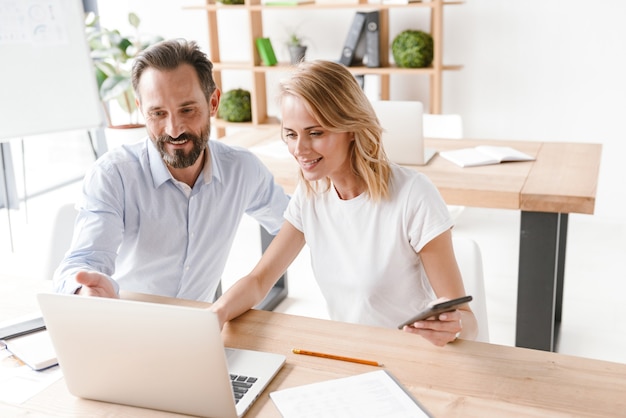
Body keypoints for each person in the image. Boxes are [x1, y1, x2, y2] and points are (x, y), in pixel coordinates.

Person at [211, 60, 478, 346]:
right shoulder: (311, 194)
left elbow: (467, 321)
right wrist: (215, 314)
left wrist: (452, 327)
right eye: (290, 134)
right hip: (351, 352)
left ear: (351, 128)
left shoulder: (414, 195)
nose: (299, 149)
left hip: (412, 353)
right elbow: (259, 281)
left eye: (315, 133)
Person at [53, 39, 289, 301]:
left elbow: (294, 224)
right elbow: (82, 262)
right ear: (141, 109)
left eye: (187, 110)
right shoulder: (113, 175)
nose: (174, 129)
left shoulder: (242, 170)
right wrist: (85, 290)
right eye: (158, 113)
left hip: (198, 331)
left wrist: (257, 282)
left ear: (213, 102)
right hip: (125, 327)